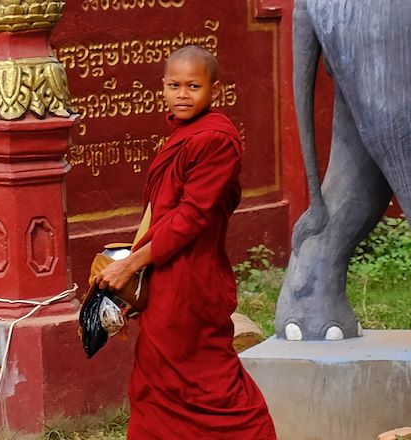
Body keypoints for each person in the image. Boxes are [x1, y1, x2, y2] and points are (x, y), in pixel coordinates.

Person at [94, 45, 277, 439]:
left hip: (193, 277)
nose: (182, 94)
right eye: (174, 85)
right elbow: (158, 217)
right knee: (156, 382)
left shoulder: (215, 139)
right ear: (161, 87)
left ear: (214, 89)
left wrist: (132, 264)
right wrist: (135, 286)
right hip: (166, 272)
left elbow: (191, 217)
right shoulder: (182, 135)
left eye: (193, 85)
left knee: (211, 384)